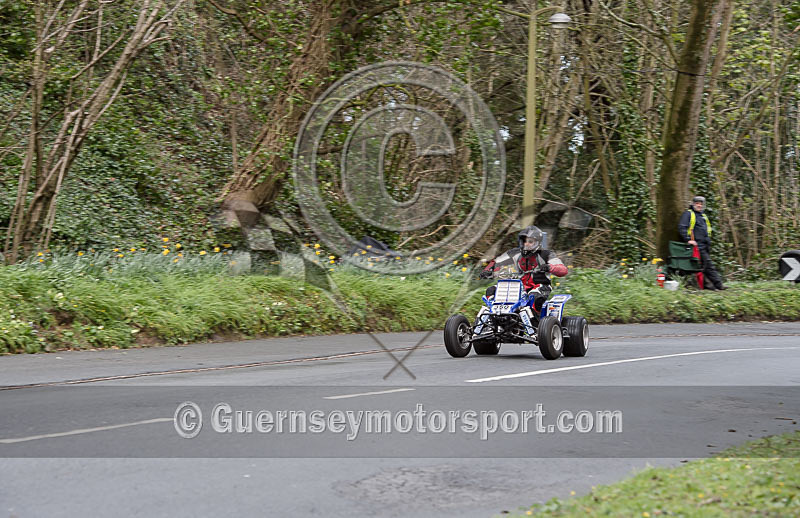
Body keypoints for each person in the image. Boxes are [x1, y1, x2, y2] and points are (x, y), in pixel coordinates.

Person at [479, 226, 568, 315]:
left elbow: (563, 270)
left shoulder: (546, 254)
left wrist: (550, 267)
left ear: (538, 242)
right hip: (519, 287)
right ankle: (494, 315)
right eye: (524, 241)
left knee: (534, 296)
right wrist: (487, 270)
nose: (526, 244)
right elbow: (497, 261)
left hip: (540, 286)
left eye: (530, 241)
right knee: (491, 290)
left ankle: (536, 322)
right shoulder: (515, 253)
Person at [677, 195, 727, 290]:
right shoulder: (688, 214)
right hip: (696, 246)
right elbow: (682, 227)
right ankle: (718, 285)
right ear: (693, 204)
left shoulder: (703, 216)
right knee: (708, 265)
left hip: (705, 245)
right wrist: (688, 240)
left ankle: (709, 286)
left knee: (704, 267)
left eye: (701, 204)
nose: (699, 205)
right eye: (697, 203)